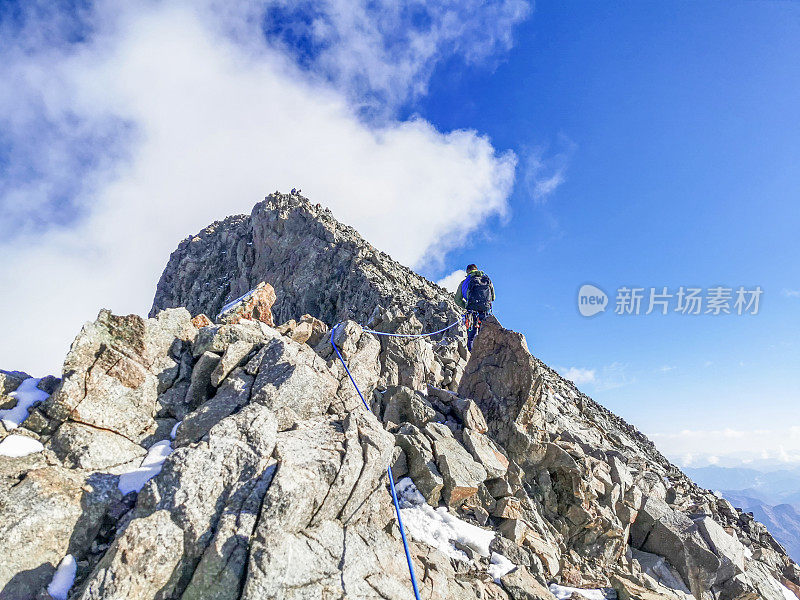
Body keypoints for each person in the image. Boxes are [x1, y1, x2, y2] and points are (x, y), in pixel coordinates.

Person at [454, 264, 495, 351]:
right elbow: (493, 297)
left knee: (471, 335)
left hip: (471, 310)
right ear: (476, 269)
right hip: (484, 310)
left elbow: (457, 299)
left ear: (468, 271)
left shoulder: (465, 282)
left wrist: (466, 305)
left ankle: (471, 354)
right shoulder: (486, 279)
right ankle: (484, 353)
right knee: (483, 332)